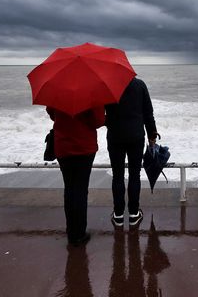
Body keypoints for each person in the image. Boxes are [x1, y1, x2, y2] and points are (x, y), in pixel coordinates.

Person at [47, 106, 105, 246]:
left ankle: (71, 231)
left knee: (69, 189)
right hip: (84, 147)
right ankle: (79, 234)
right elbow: (97, 121)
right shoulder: (92, 92)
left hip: (63, 146)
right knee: (80, 190)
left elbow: (51, 112)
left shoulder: (58, 89)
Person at [105, 77, 158, 227]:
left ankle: (118, 215)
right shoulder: (140, 85)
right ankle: (134, 213)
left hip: (115, 136)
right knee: (135, 174)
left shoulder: (108, 86)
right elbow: (148, 113)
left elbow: (101, 114)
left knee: (118, 175)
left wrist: (109, 121)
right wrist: (152, 135)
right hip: (136, 137)